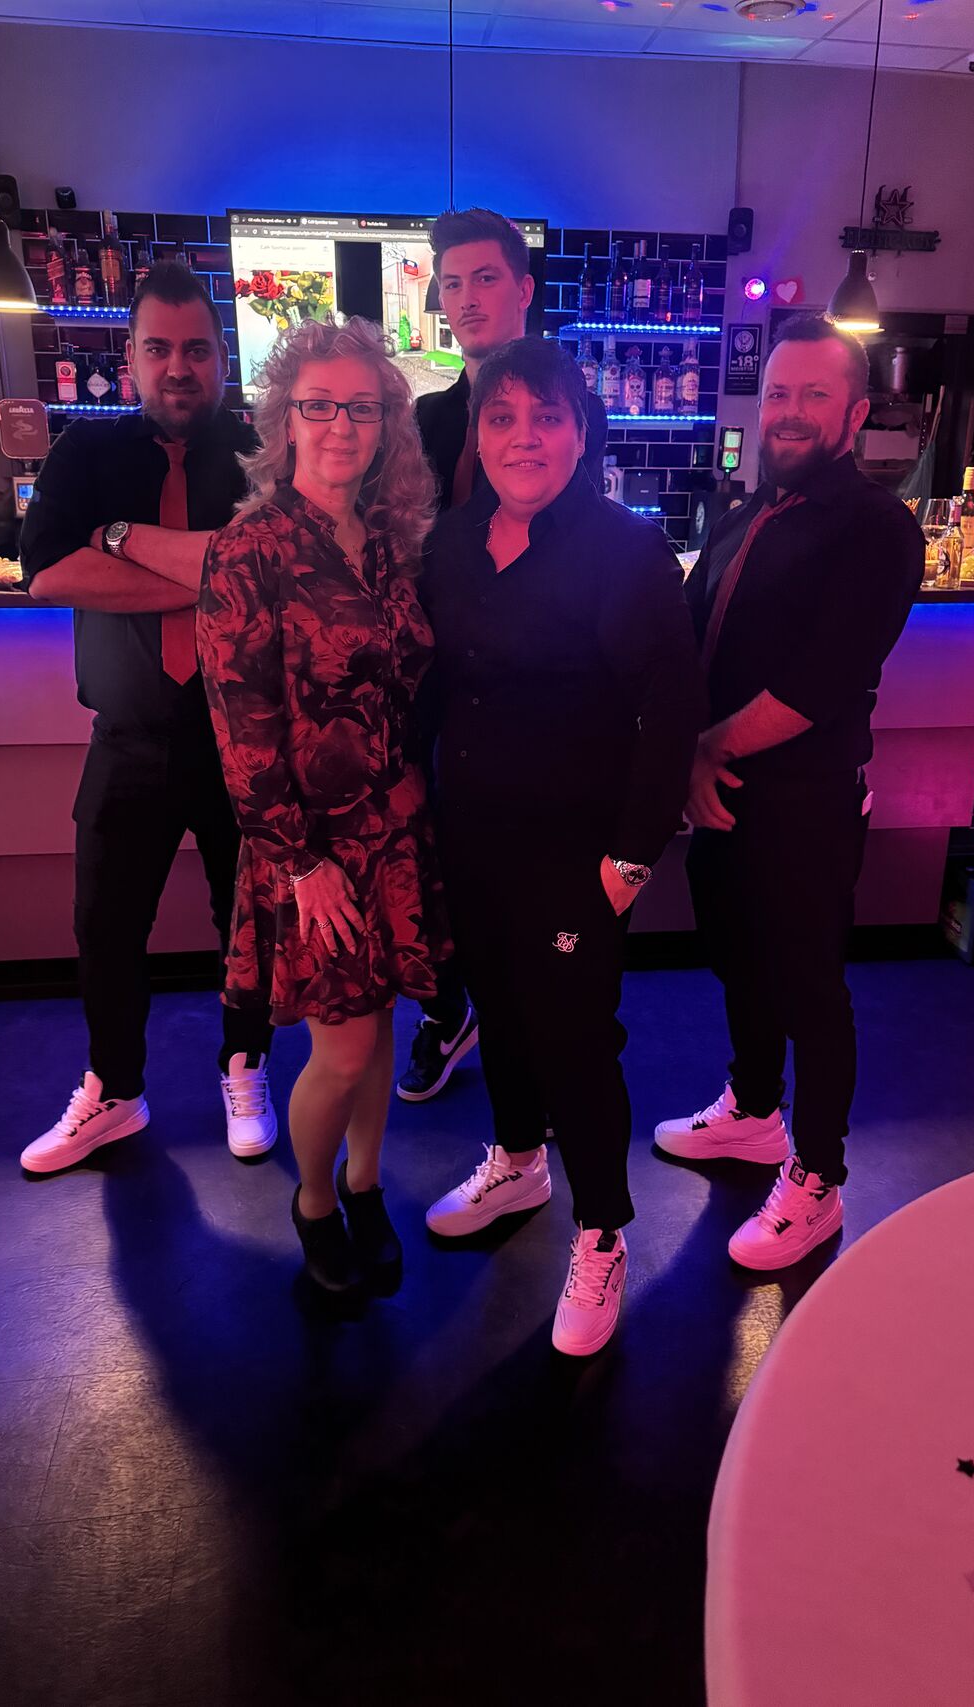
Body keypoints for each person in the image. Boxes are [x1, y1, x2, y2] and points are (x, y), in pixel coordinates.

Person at [419, 338, 700, 1355]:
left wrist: (630, 861)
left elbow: (671, 714)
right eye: (502, 418)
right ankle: (517, 1160)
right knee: (499, 1014)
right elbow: (435, 689)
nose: (523, 437)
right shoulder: (450, 543)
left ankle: (602, 1231)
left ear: (582, 432)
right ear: (478, 433)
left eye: (546, 417)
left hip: (577, 855)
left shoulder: (626, 552)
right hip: (471, 836)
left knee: (575, 1040)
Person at [655, 315, 923, 1270]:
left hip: (804, 802)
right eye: (777, 393)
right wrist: (687, 758)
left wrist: (703, 751)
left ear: (854, 413)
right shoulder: (744, 513)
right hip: (722, 797)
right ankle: (755, 1109)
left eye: (815, 394)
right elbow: (690, 634)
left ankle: (817, 1176)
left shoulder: (876, 528)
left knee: (809, 986)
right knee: (738, 959)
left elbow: (821, 682)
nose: (790, 411)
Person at [196, 316, 446, 1295]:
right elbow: (242, 732)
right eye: (320, 405)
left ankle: (364, 1184)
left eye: (362, 408)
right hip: (309, 847)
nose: (342, 424)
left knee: (376, 1029)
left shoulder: (385, 543)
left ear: (386, 424)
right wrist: (301, 862)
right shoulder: (248, 550)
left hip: (392, 829)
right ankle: (311, 1203)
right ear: (284, 419)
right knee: (340, 1050)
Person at [19, 261, 276, 1174]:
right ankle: (115, 1089)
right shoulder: (85, 453)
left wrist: (123, 542)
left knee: (247, 922)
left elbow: (266, 573)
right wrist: (207, 575)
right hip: (127, 736)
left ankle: (246, 1066)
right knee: (104, 923)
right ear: (129, 357)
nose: (178, 367)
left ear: (222, 359)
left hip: (240, 741)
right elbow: (48, 572)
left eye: (196, 350)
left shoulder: (261, 455)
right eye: (159, 348)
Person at [396, 206, 610, 1105]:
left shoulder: (567, 404)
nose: (467, 298)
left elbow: (576, 541)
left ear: (523, 287)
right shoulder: (426, 417)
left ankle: (545, 1045)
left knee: (540, 892)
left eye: (485, 278)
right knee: (440, 863)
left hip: (540, 687)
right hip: (441, 675)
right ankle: (451, 1013)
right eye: (451, 283)